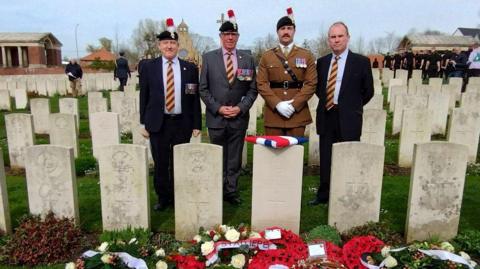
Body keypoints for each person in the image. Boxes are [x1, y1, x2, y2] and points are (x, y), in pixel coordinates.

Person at [139, 18, 202, 211]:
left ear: (178, 45)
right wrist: (143, 123)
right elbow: (145, 95)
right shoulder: (149, 67)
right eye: (165, 43)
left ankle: (179, 195)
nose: (169, 46)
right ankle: (163, 197)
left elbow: (193, 97)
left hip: (181, 122)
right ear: (159, 45)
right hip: (158, 123)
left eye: (173, 43)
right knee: (160, 163)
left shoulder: (189, 68)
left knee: (179, 162)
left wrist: (197, 124)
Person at [310, 21, 374, 205]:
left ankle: (345, 195)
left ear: (347, 38)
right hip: (328, 114)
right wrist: (330, 101)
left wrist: (351, 106)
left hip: (349, 118)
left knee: (348, 157)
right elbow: (319, 89)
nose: (336, 40)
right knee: (326, 156)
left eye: (340, 36)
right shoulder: (322, 63)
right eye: (333, 37)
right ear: (328, 40)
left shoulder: (361, 62)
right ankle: (323, 195)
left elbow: (368, 91)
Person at [199, 10, 257, 205]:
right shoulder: (208, 58)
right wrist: (218, 108)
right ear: (221, 36)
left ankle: (231, 191)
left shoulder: (247, 59)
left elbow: (252, 89)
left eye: (233, 34)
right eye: (226, 34)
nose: (230, 37)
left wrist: (241, 108)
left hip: (238, 118)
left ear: (238, 37)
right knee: (217, 156)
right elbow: (203, 89)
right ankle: (216, 188)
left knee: (234, 157)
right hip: (217, 118)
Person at [256, 8, 317, 136]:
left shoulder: (306, 55)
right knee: (273, 154)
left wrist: (294, 105)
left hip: (297, 114)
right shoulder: (267, 56)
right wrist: (277, 104)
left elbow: (311, 84)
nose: (286, 32)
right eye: (282, 29)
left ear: (294, 31)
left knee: (295, 154)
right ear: (277, 32)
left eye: (289, 28)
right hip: (274, 115)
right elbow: (261, 83)